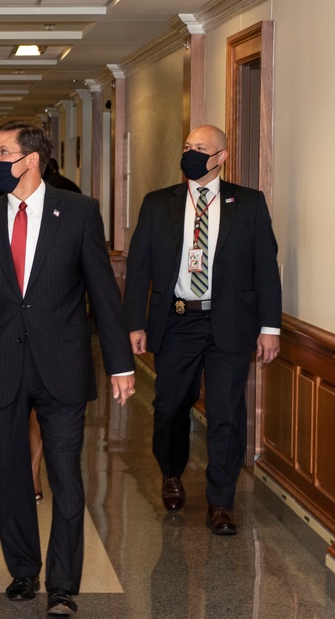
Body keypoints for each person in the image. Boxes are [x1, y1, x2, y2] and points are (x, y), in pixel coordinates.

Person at [0, 120, 135, 616]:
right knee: (8, 477)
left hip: (62, 364)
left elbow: (102, 294)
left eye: (2, 152)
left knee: (66, 476)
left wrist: (120, 364)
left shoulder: (78, 212)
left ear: (30, 159)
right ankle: (24, 570)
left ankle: (64, 585)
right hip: (0, 365)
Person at [124, 124, 281, 535]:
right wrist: (135, 323)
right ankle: (172, 472)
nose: (191, 153)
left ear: (222, 157)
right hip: (178, 319)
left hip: (230, 322)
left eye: (201, 149)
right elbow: (138, 267)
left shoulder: (248, 203)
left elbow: (266, 267)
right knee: (170, 406)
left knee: (227, 412)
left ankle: (221, 501)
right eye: (188, 147)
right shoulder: (159, 204)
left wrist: (270, 327)